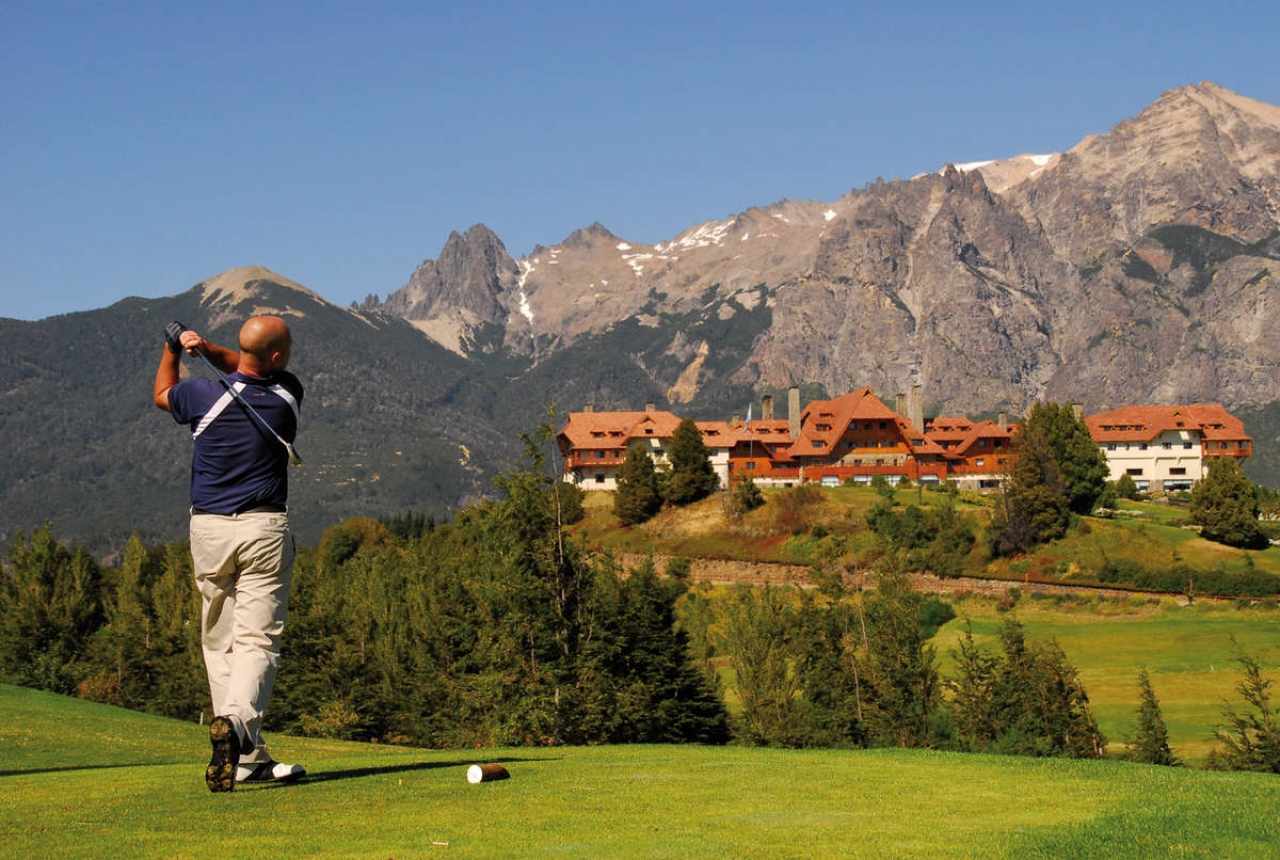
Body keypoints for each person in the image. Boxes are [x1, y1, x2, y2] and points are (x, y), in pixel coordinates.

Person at [154, 315, 306, 792]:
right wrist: (207, 348)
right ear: (279, 357)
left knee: (220, 641)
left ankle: (247, 758)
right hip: (263, 529)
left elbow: (162, 393)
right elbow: (247, 362)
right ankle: (240, 732)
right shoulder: (286, 396)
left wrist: (175, 348)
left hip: (209, 531)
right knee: (257, 641)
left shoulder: (201, 396)